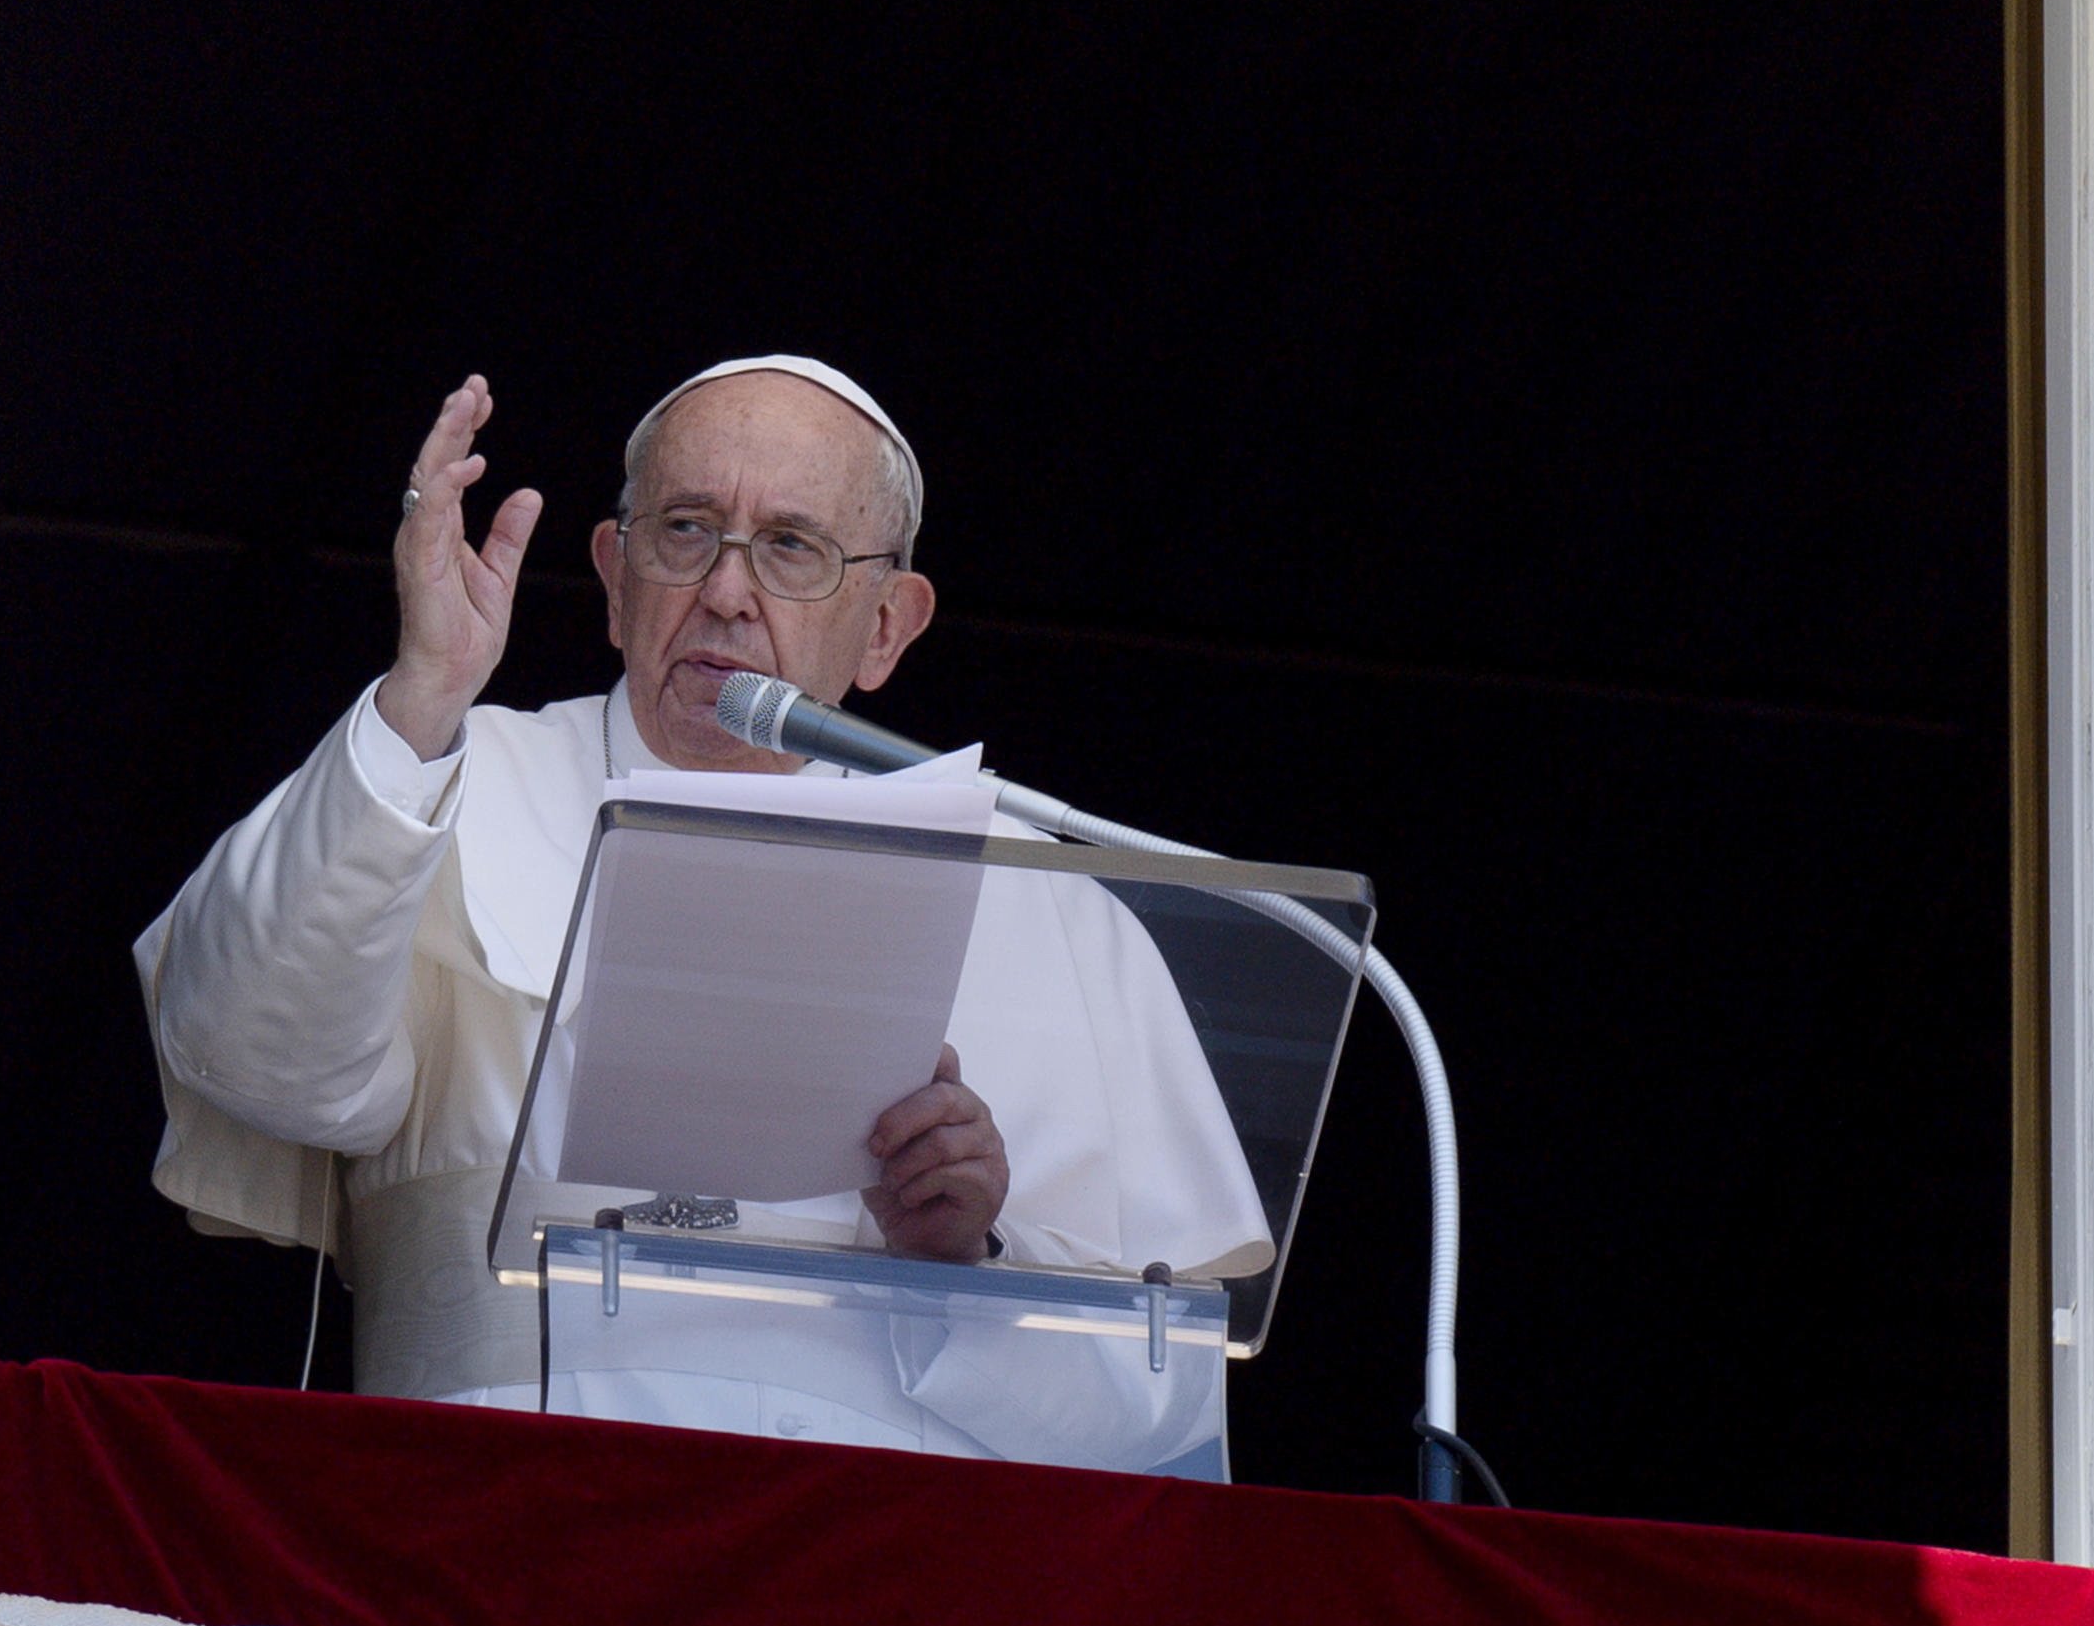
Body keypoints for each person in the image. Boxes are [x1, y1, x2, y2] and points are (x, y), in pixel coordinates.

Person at [137, 359, 1269, 1470]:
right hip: (491, 1562)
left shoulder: (1050, 906)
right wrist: (425, 690)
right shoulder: (440, 778)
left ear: (887, 626)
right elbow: (255, 1060)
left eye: (790, 546)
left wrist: (965, 1256)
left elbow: (1158, 1421)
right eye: (686, 529)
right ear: (616, 576)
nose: (728, 590)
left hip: (887, 1599)